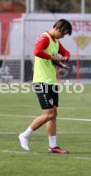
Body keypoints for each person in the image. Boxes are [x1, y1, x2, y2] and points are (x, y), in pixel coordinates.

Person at [19, 19, 72, 154]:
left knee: (53, 114)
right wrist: (52, 58)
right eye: (64, 34)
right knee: (48, 114)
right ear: (59, 29)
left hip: (51, 82)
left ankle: (53, 147)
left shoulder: (55, 41)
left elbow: (66, 53)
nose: (64, 37)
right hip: (42, 81)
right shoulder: (45, 37)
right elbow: (37, 51)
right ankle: (24, 135)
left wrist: (63, 59)